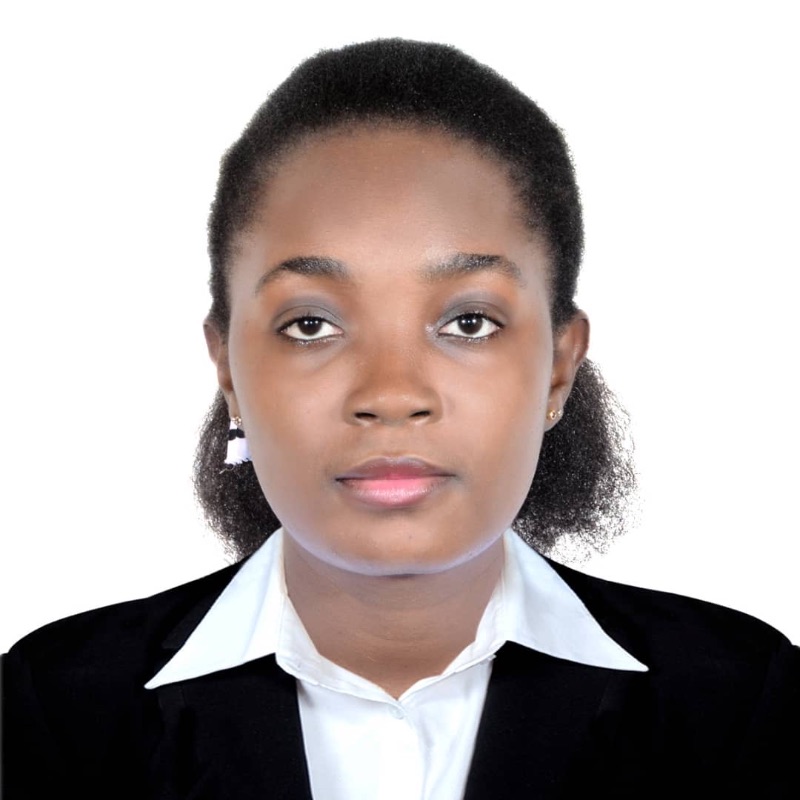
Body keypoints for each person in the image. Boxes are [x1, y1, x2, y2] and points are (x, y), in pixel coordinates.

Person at [3, 38, 797, 799]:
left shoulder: (741, 702)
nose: (391, 393)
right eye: (310, 324)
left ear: (559, 365)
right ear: (229, 371)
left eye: (469, 322)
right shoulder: (52, 710)